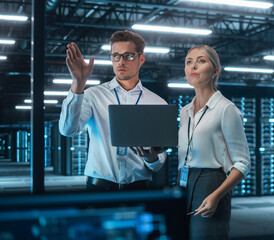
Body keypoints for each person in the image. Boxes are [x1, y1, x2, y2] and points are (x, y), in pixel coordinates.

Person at [59, 30, 167, 191]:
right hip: (98, 190)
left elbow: (158, 163)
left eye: (128, 55)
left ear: (141, 58)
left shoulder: (158, 104)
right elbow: (68, 130)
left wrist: (152, 158)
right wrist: (78, 83)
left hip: (138, 191)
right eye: (115, 55)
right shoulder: (92, 95)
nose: (120, 62)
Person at [178, 45, 251, 239]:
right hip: (184, 182)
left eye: (201, 61)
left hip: (211, 183)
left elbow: (243, 163)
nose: (193, 66)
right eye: (189, 62)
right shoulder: (185, 111)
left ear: (215, 70)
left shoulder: (226, 109)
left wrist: (216, 195)